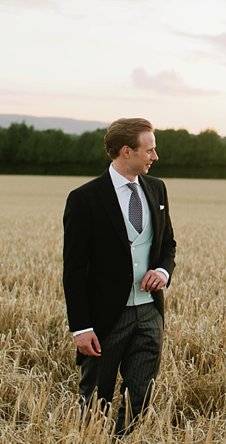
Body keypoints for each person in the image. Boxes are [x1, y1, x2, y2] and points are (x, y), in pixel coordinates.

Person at [63, 117, 176, 434]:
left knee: (140, 398)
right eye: (149, 150)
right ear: (127, 151)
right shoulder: (84, 198)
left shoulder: (157, 189)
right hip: (105, 320)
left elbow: (167, 243)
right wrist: (81, 327)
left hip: (149, 313)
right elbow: (73, 270)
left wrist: (163, 271)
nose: (155, 157)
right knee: (95, 402)